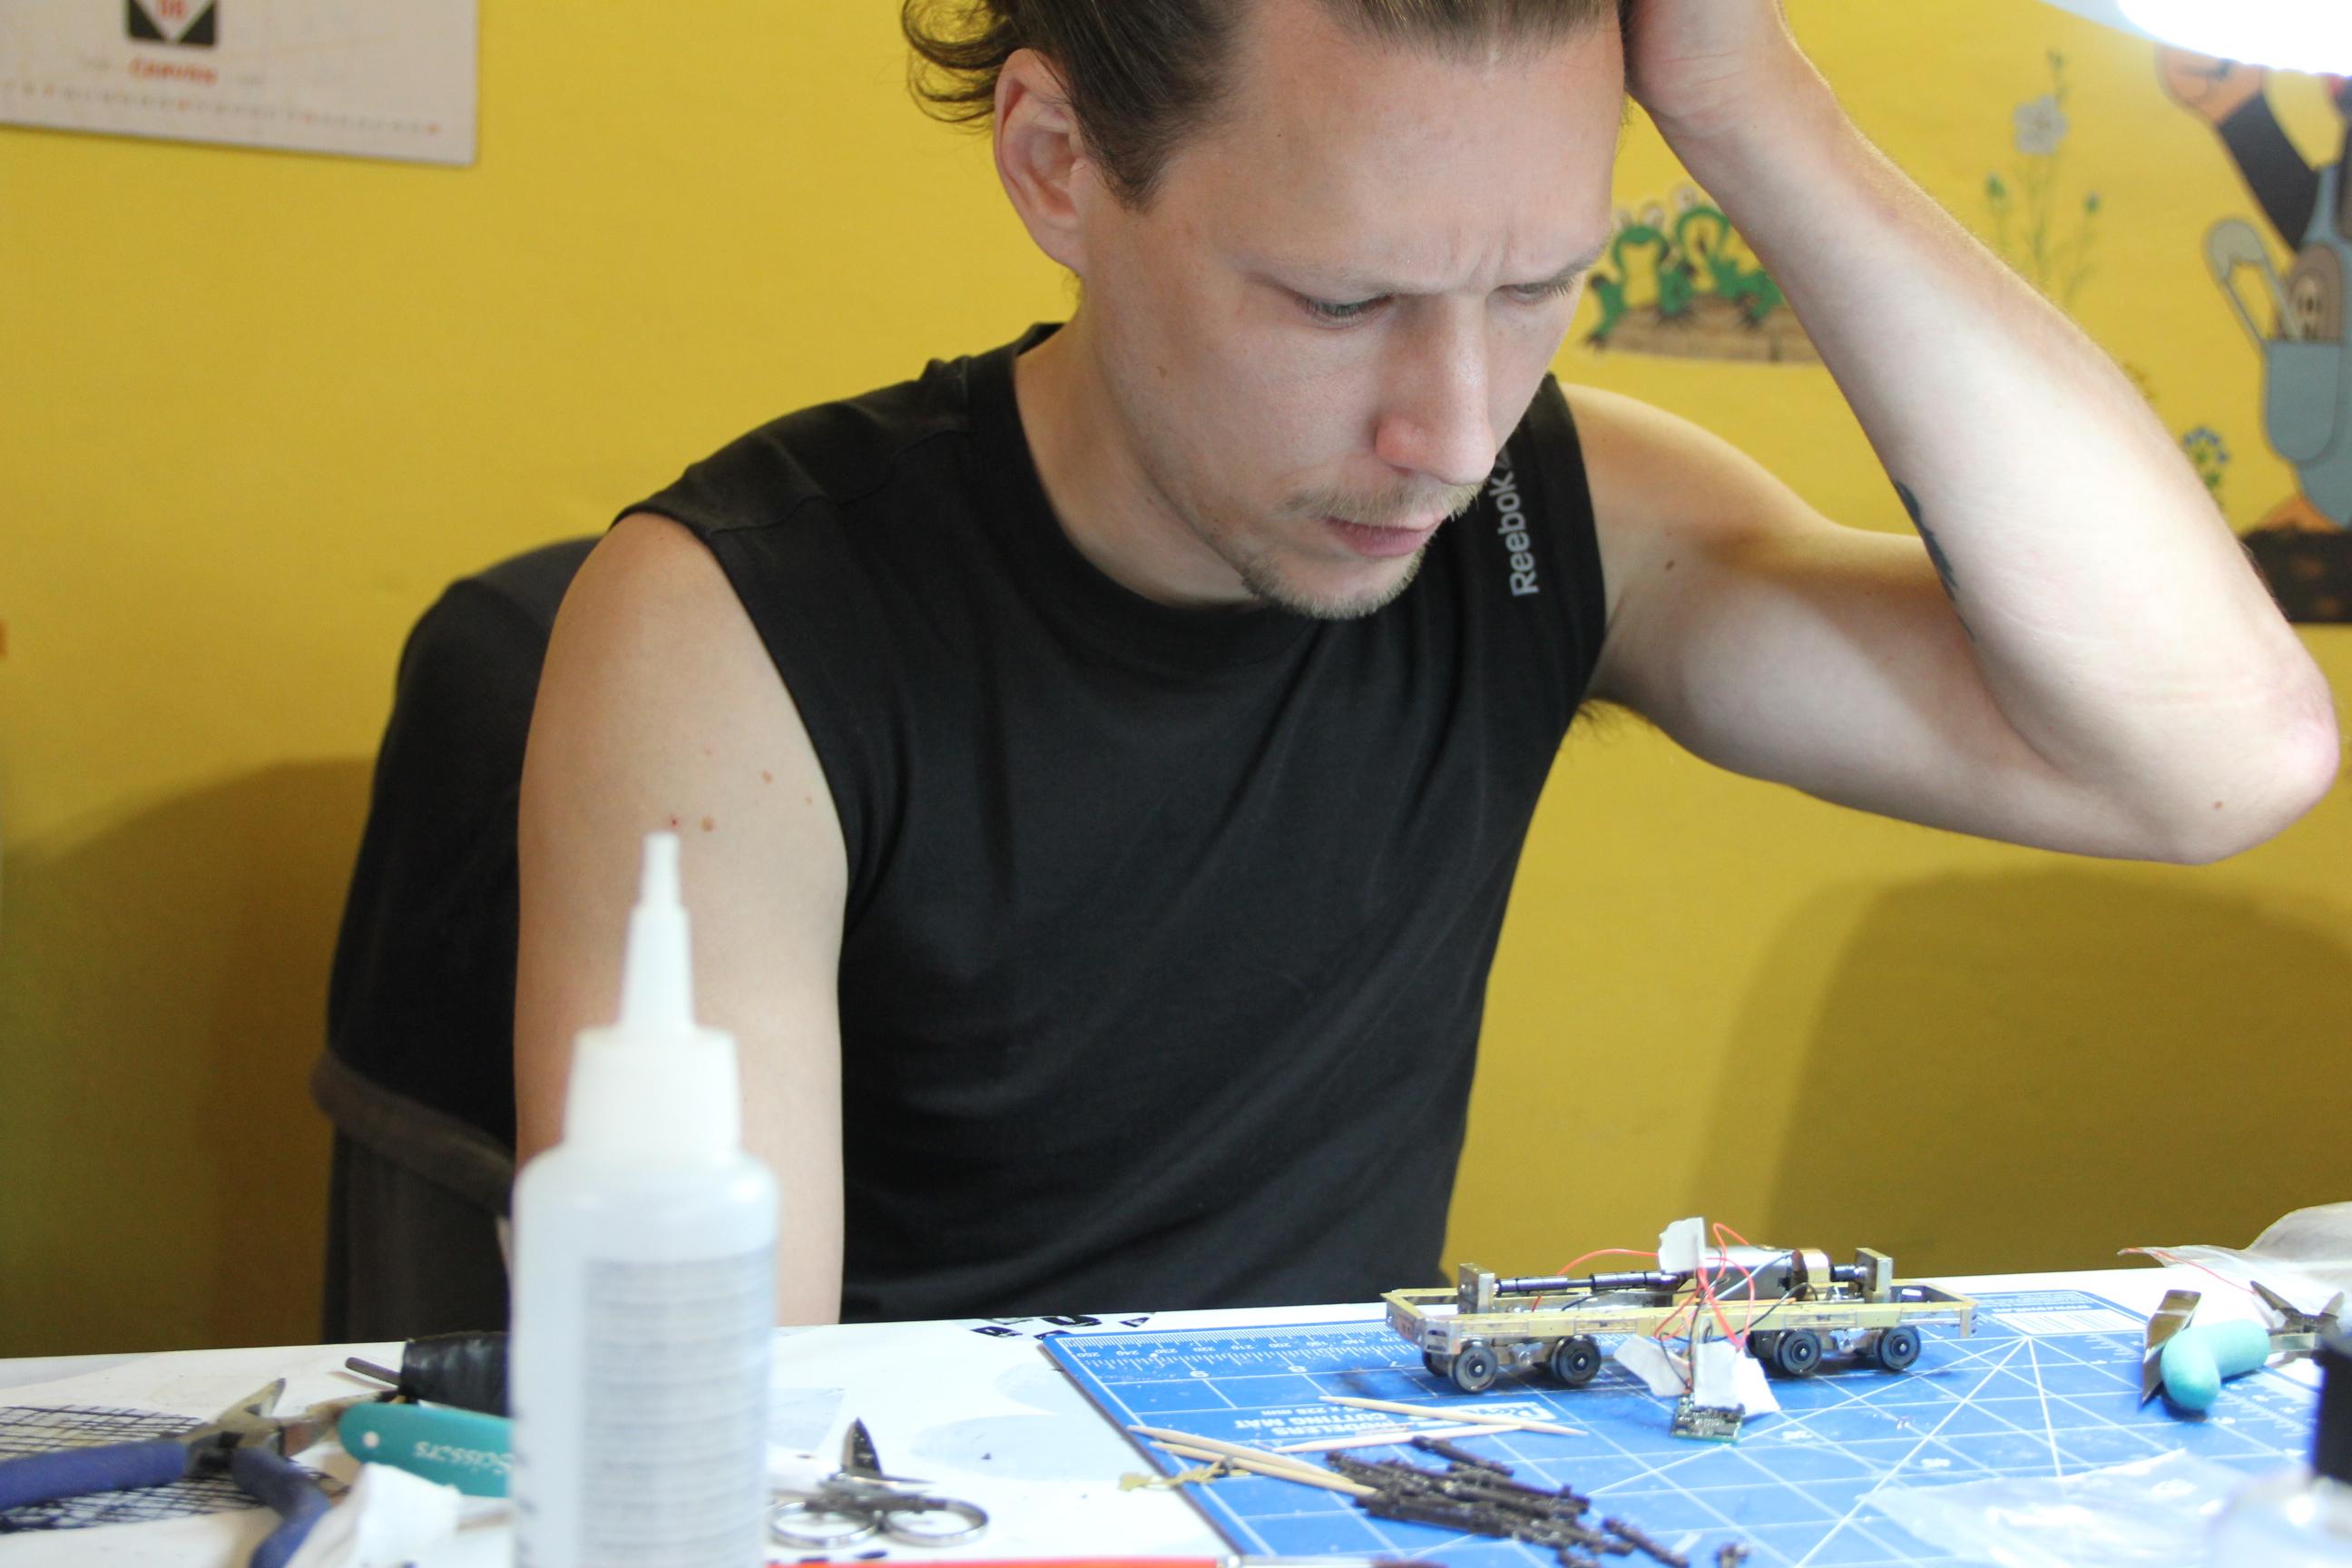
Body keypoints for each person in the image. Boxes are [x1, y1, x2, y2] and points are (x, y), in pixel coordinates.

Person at [514, 0, 2338, 1328]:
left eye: (1540, 288)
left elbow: (2216, 762)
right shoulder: (733, 627)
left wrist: (1754, 106)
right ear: (1057, 164)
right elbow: (722, 1444)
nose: (1454, 436)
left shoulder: (1551, 517)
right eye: (1343, 301)